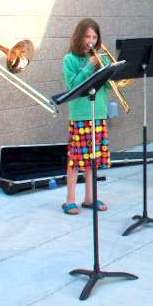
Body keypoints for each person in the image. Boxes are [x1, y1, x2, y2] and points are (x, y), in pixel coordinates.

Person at [61, 18, 112, 215]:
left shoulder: (102, 58)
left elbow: (107, 85)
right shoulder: (70, 59)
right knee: (75, 160)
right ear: (79, 37)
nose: (91, 41)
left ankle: (90, 198)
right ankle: (70, 200)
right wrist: (89, 66)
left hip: (98, 112)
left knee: (93, 160)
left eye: (94, 37)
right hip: (80, 114)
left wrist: (108, 71)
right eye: (87, 36)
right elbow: (73, 85)